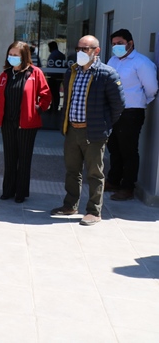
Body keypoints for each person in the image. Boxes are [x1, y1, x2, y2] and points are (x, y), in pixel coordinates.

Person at [51, 35, 125, 226]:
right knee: (72, 171)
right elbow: (67, 100)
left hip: (93, 133)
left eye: (85, 49)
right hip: (72, 130)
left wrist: (104, 124)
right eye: (78, 49)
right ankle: (70, 205)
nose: (81, 53)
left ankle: (94, 211)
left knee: (94, 173)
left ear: (96, 51)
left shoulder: (107, 74)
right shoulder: (72, 72)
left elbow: (118, 106)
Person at [0, 41, 51, 203]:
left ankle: (21, 192)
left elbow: (46, 96)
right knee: (9, 158)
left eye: (15, 55)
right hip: (8, 122)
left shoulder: (35, 73)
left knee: (24, 159)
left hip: (27, 123)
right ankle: (8, 190)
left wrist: (37, 109)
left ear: (24, 56)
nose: (12, 58)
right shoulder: (5, 74)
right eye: (10, 55)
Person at [105, 29, 158, 201]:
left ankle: (128, 187)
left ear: (130, 43)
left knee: (128, 150)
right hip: (112, 111)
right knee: (114, 148)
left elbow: (152, 88)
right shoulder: (112, 61)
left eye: (119, 43)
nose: (116, 47)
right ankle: (113, 180)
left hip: (131, 112)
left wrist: (139, 101)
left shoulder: (142, 63)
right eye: (113, 44)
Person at [46, 41, 67, 112]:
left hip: (53, 76)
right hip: (59, 76)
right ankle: (55, 106)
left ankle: (53, 107)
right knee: (56, 93)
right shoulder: (61, 55)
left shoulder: (53, 55)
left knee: (53, 93)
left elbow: (50, 66)